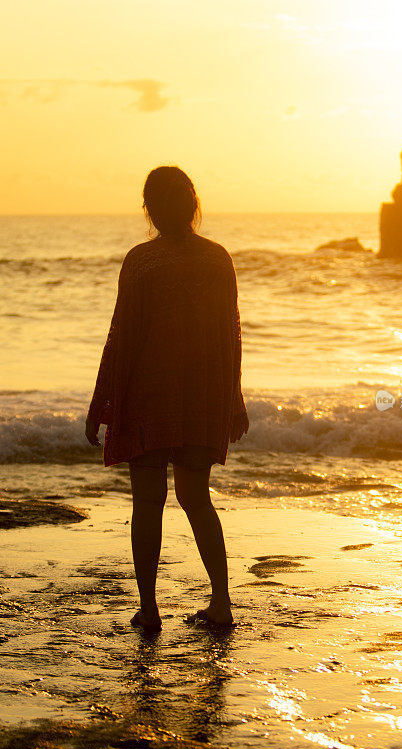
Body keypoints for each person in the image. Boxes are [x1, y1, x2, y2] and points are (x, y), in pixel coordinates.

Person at [85, 166, 249, 632]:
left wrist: (103, 404)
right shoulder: (218, 259)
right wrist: (232, 397)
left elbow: (122, 338)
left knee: (148, 501)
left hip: (148, 396)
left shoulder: (142, 261)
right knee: (197, 498)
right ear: (192, 205)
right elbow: (230, 337)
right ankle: (221, 601)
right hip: (201, 394)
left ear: (150, 210)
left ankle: (150, 608)